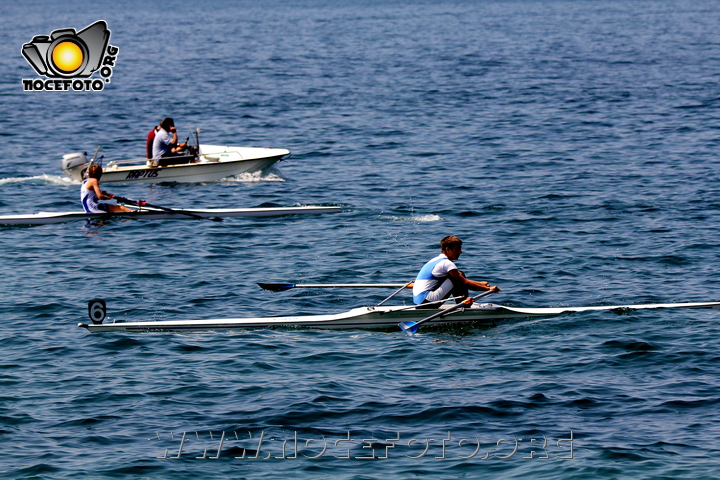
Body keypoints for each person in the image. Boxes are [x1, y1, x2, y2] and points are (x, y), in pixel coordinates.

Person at [413, 235, 500, 306]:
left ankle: (462, 304)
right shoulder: (447, 263)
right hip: (427, 302)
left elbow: (461, 278)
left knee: (459, 274)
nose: (460, 252)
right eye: (457, 249)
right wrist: (488, 289)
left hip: (420, 301)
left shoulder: (435, 260)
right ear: (447, 249)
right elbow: (464, 283)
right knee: (457, 278)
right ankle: (464, 306)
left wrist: (480, 283)